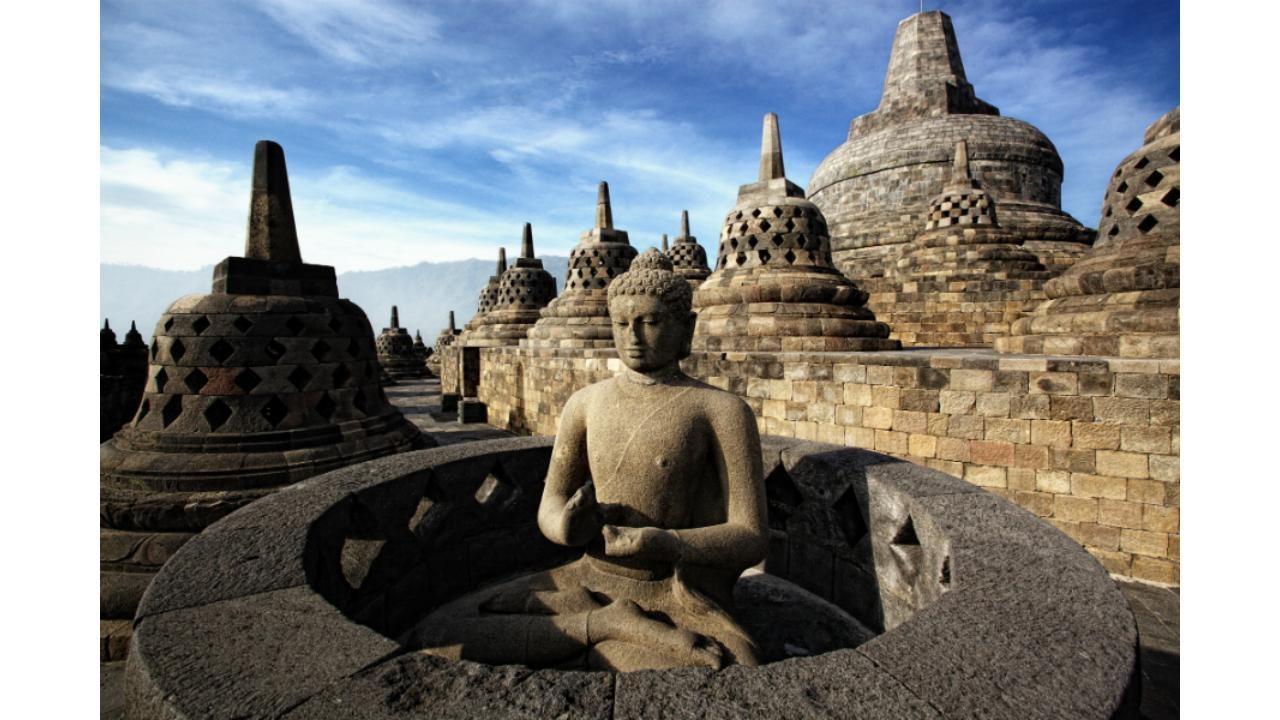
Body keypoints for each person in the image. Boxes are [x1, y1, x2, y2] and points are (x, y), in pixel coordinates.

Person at [403, 250, 767, 671]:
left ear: (686, 329)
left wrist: (665, 543)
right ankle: (604, 625)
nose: (632, 336)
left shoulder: (720, 410)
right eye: (621, 323)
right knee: (440, 632)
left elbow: (751, 534)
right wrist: (566, 525)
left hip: (667, 590)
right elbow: (550, 506)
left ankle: (612, 629)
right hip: (585, 577)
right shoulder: (585, 404)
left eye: (649, 322)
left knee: (733, 663)